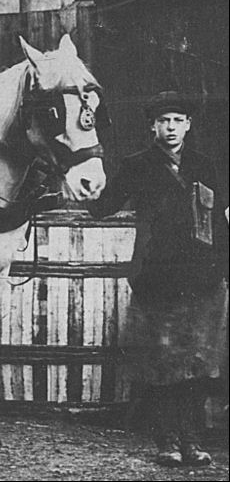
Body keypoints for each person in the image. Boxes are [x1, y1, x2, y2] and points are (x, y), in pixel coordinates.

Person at [87, 91, 229, 467]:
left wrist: (223, 269)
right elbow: (102, 206)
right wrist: (80, 181)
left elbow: (221, 222)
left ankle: (193, 439)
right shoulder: (136, 165)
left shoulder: (205, 165)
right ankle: (166, 439)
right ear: (152, 125)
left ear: (188, 125)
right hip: (157, 280)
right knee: (162, 363)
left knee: (199, 362)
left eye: (178, 120)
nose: (171, 128)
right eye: (164, 121)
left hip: (203, 279)